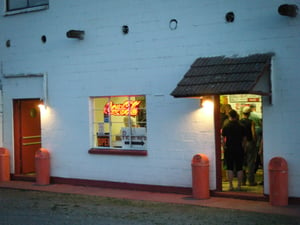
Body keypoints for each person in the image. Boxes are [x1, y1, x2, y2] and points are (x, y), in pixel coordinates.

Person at [221, 109, 246, 191]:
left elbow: (222, 138)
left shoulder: (226, 126)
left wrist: (224, 146)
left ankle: (230, 185)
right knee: (239, 167)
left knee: (230, 167)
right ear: (236, 116)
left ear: (229, 116)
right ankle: (239, 185)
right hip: (239, 148)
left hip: (229, 148)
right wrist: (243, 147)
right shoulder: (241, 126)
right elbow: (244, 139)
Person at [240, 106, 257, 186]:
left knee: (243, 162)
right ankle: (251, 181)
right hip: (250, 143)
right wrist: (255, 141)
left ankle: (243, 181)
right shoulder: (251, 122)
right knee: (250, 162)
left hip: (242, 144)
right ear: (249, 114)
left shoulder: (239, 122)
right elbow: (253, 133)